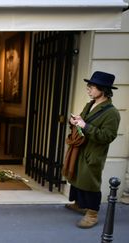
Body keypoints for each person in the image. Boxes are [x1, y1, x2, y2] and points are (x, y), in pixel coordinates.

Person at [63, 71, 120, 229]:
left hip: (93, 153)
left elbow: (108, 136)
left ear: (103, 90)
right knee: (77, 177)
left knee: (90, 182)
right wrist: (75, 121)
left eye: (92, 87)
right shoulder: (90, 105)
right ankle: (79, 204)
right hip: (81, 149)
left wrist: (85, 126)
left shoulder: (112, 113)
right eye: (88, 86)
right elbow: (83, 121)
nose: (88, 89)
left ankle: (92, 214)